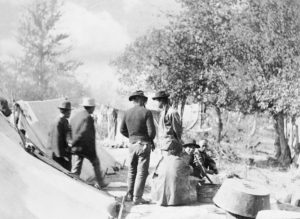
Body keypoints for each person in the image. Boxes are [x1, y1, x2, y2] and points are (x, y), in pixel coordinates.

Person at [120, 90, 156, 204]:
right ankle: (137, 198)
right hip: (143, 145)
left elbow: (122, 130)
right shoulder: (146, 112)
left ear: (133, 100)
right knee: (141, 172)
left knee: (131, 171)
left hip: (132, 145)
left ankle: (130, 195)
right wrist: (148, 140)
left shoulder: (127, 113)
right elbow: (152, 133)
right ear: (141, 99)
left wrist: (131, 137)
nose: (145, 102)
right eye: (144, 100)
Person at [70, 97, 107, 188]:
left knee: (78, 163)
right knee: (96, 162)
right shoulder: (88, 118)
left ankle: (73, 180)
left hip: (77, 146)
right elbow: (87, 135)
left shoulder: (76, 116)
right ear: (90, 107)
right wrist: (92, 151)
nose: (94, 109)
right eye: (93, 107)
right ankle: (101, 183)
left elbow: (71, 129)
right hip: (86, 147)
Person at [151, 139, 197, 206]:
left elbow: (154, 176)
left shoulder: (162, 160)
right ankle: (175, 198)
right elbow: (190, 170)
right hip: (176, 199)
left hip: (158, 198)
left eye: (193, 148)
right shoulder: (180, 159)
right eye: (189, 147)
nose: (192, 149)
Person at [47, 100, 72, 171]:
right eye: (70, 111)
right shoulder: (64, 122)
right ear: (67, 111)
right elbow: (65, 140)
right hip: (61, 157)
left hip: (52, 154)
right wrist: (65, 156)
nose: (70, 113)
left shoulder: (55, 120)